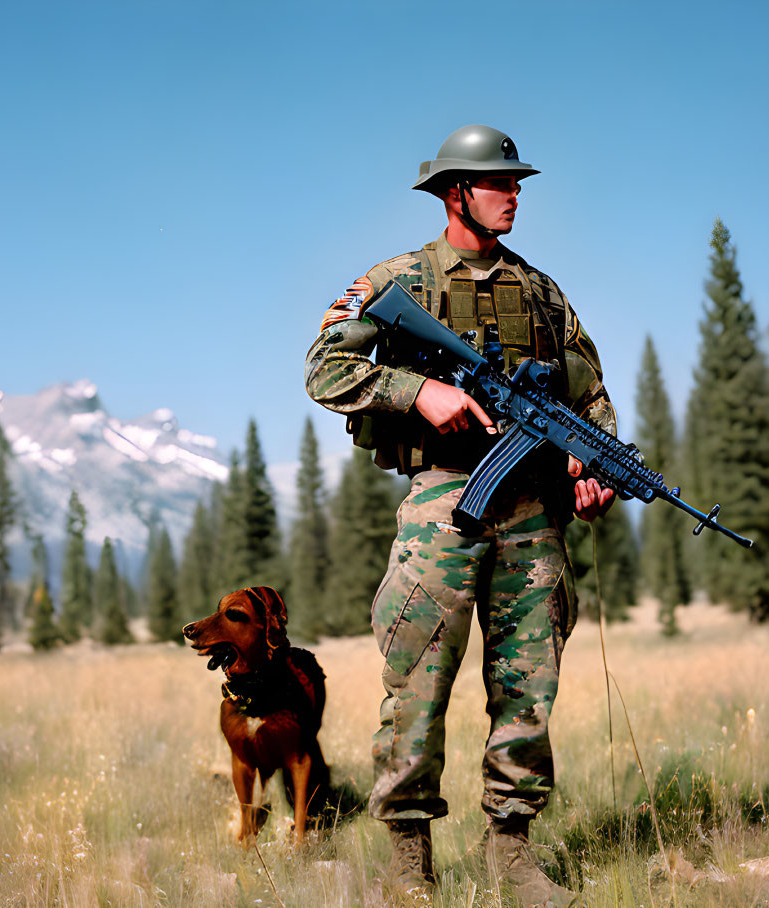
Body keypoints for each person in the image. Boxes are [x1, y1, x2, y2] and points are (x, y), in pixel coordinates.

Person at [305, 125, 615, 905]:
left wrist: (595, 462)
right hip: (443, 501)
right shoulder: (397, 280)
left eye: (516, 184)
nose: (513, 195)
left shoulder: (544, 292)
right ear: (454, 194)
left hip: (532, 513)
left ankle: (511, 851)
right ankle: (408, 859)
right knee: (415, 683)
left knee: (528, 688)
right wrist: (420, 392)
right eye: (497, 183)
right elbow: (324, 368)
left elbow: (589, 395)